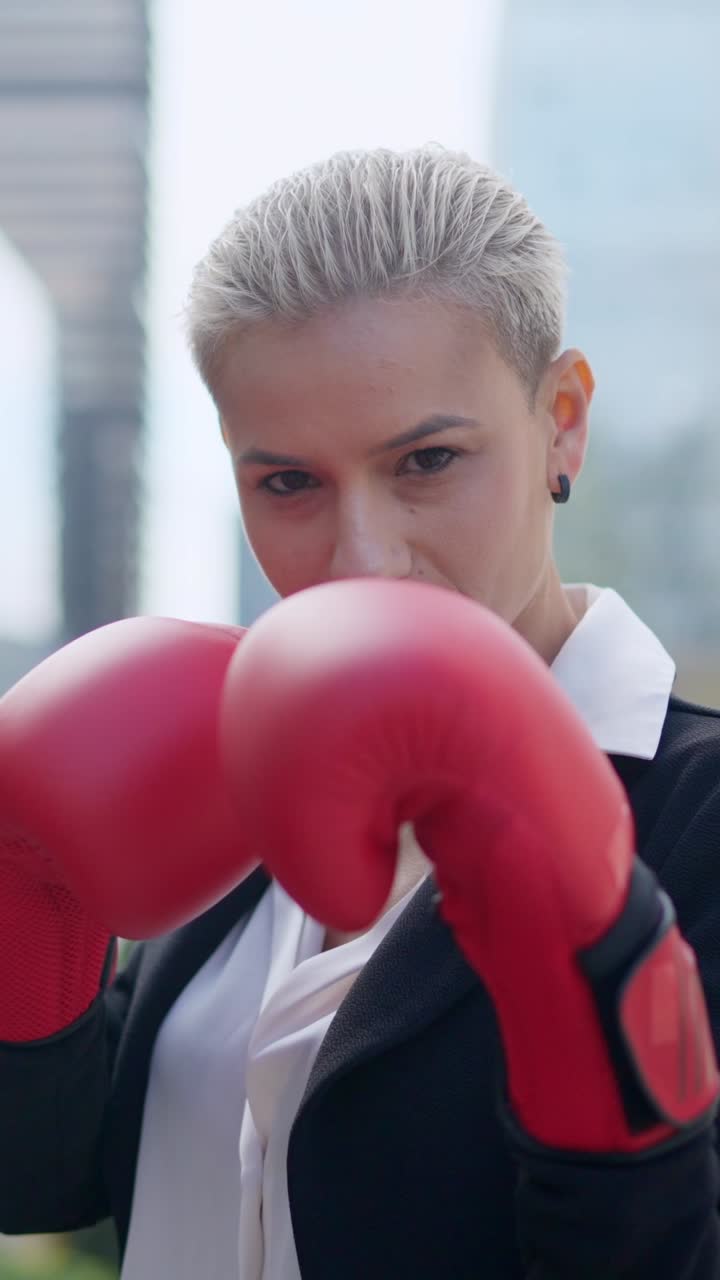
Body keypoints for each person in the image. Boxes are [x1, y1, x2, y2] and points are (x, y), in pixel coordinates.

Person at [2, 145, 720, 1279]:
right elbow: (44, 1177)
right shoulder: (240, 774)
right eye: (287, 482)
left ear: (563, 423)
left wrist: (604, 997)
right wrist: (23, 919)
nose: (361, 557)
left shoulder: (697, 818)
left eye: (427, 459)